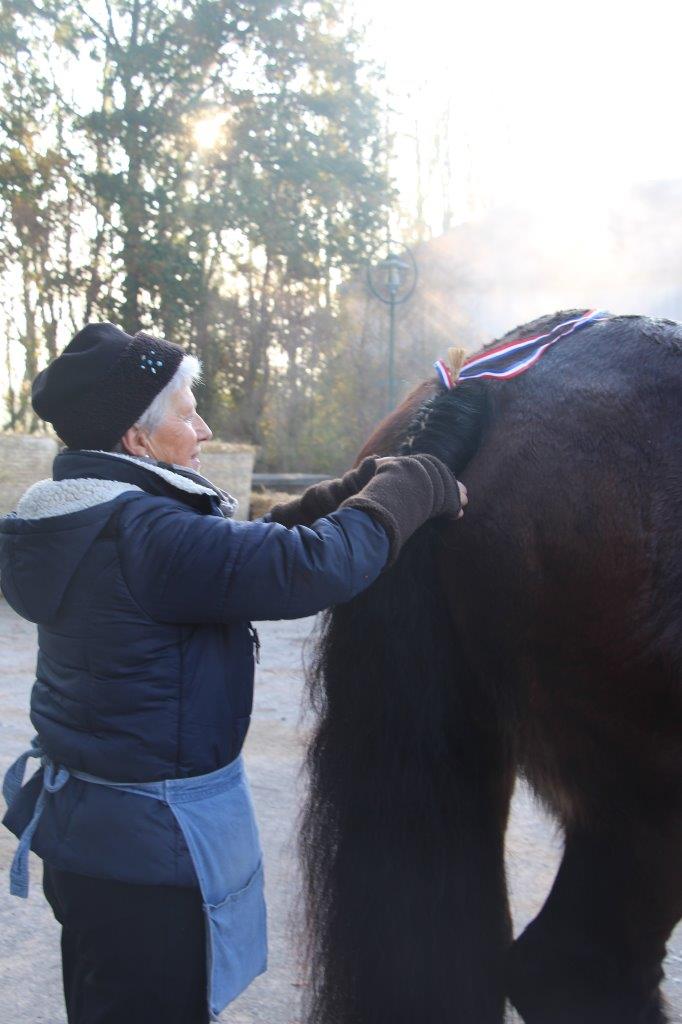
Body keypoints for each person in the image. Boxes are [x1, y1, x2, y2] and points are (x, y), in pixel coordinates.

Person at [0, 322, 467, 1024]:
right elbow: (309, 567)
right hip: (147, 858)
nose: (207, 428)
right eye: (188, 411)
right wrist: (416, 483)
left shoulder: (87, 515)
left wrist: (345, 492)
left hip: (95, 843)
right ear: (136, 438)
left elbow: (227, 553)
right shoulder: (145, 534)